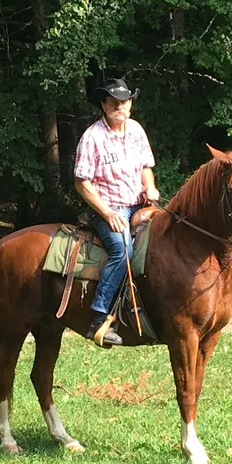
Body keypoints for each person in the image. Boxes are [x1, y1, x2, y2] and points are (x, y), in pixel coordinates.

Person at [72, 78, 161, 347]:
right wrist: (107, 212)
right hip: (107, 208)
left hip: (139, 204)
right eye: (113, 102)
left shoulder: (136, 130)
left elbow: (146, 165)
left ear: (130, 104)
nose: (118, 106)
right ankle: (99, 317)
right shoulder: (92, 137)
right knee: (123, 250)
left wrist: (151, 187)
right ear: (103, 104)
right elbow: (81, 182)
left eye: (123, 102)